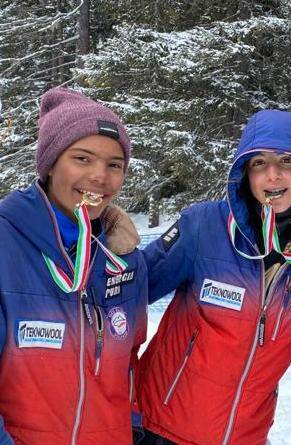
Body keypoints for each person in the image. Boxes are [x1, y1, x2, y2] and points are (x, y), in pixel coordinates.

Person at [133, 109, 291, 445]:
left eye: (287, 161)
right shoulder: (203, 226)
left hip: (245, 436)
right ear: (245, 174)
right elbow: (123, 300)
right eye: (259, 163)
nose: (272, 175)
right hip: (158, 429)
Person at [0, 87, 148, 444]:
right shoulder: (7, 242)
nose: (100, 176)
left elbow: (128, 358)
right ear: (50, 164)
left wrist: (133, 422)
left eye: (114, 165)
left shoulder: (124, 255)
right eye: (82, 159)